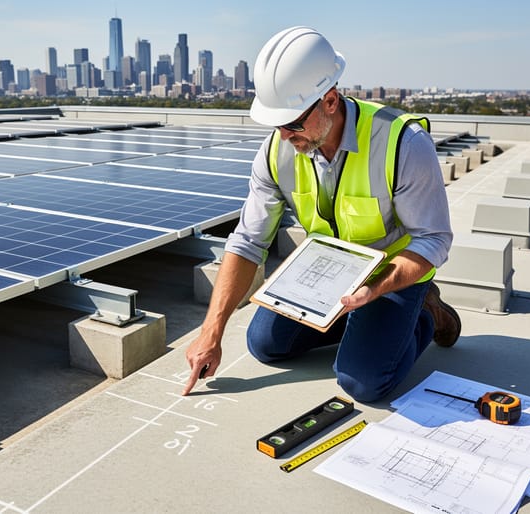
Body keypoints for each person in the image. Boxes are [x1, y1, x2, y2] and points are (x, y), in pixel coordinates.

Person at [181, 26, 460, 402]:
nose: (284, 136)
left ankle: (427, 312)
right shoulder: (275, 152)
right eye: (276, 124)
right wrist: (211, 331)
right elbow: (248, 241)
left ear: (330, 100)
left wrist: (375, 288)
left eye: (293, 123)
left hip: (392, 274)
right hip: (330, 274)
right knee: (264, 344)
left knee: (363, 383)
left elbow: (434, 238)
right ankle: (362, 323)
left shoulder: (403, 143)